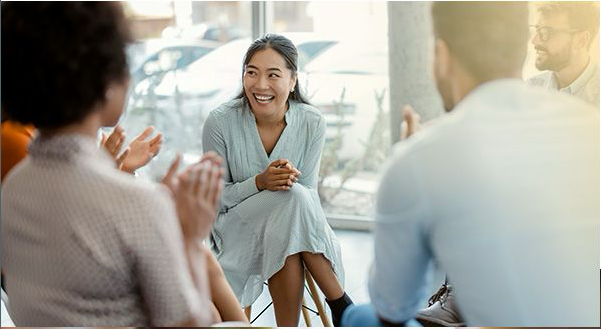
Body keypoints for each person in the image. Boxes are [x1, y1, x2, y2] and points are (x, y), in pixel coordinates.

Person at [342, 1, 599, 326]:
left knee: (360, 317)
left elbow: (392, 308)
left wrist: (414, 156)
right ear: (521, 47)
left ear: (442, 55)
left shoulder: (418, 161)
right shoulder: (589, 124)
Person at [1, 2, 245, 326]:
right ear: (106, 81)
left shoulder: (14, 188)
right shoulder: (138, 206)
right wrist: (188, 237)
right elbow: (191, 323)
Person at [202, 34, 352, 326]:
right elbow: (215, 201)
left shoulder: (311, 123)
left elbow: (308, 196)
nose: (260, 85)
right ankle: (339, 301)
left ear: (293, 80)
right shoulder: (220, 122)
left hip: (292, 228)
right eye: (252, 73)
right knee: (291, 199)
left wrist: (278, 188)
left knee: (291, 212)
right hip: (233, 230)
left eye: (273, 75)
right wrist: (260, 182)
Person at [527, 1, 599, 107]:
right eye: (537, 30)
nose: (535, 41)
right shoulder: (531, 89)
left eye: (547, 32)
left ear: (581, 40)